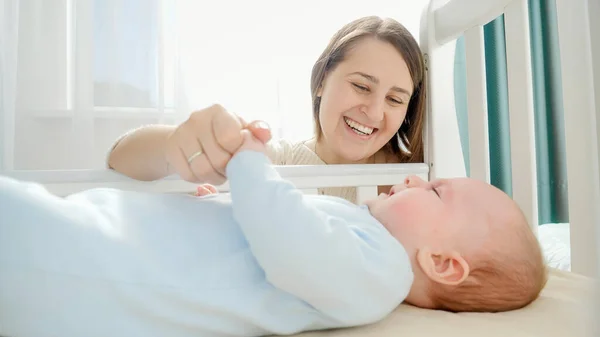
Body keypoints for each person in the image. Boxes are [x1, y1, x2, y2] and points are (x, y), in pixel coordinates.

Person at [0, 130, 547, 337]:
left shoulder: (380, 273)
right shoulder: (363, 241)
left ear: (441, 263)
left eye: (433, 192)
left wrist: (250, 166)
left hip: (90, 267)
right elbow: (272, 236)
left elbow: (292, 249)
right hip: (99, 245)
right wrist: (228, 204)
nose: (412, 178)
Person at [107, 15, 427, 204]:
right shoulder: (282, 162)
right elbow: (120, 158)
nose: (373, 112)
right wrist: (179, 142)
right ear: (321, 82)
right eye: (361, 86)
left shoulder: (414, 183)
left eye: (395, 99)